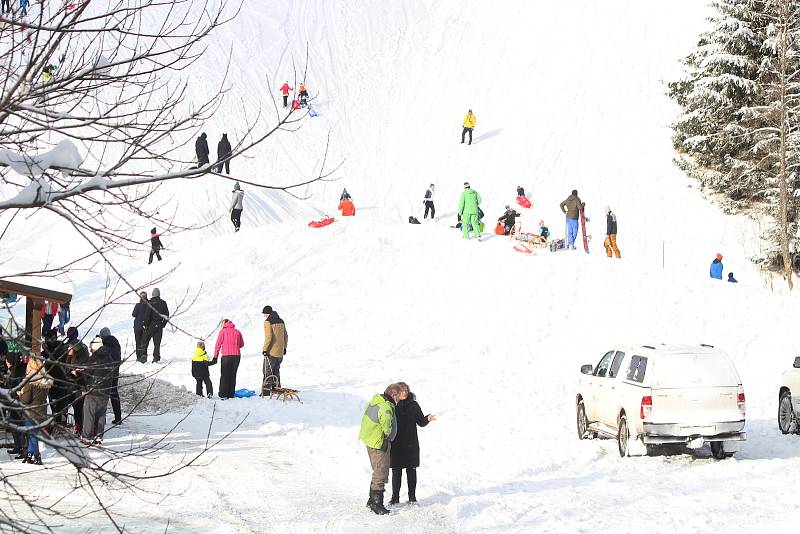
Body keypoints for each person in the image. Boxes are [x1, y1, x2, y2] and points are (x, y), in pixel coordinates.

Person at [359, 383, 404, 515]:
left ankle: (371, 500)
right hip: (379, 443)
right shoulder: (386, 407)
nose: (400, 399)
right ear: (394, 395)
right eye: (399, 396)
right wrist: (387, 433)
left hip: (370, 440)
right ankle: (377, 504)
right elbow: (386, 423)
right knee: (381, 472)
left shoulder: (377, 400)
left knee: (378, 470)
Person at [390, 382, 436, 505]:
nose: (404, 393)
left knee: (411, 470)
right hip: (396, 443)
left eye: (406, 390)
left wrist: (427, 419)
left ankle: (412, 497)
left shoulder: (414, 405)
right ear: (396, 392)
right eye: (402, 390)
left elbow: (420, 422)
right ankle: (395, 498)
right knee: (396, 471)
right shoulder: (392, 405)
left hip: (411, 443)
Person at [18, 355, 53, 464]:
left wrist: (20, 393)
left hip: (30, 411)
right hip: (41, 411)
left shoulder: (30, 382)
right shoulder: (45, 381)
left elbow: (26, 400)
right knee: (34, 433)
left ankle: (37, 455)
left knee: (32, 435)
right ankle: (30, 453)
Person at [82, 336, 113, 445]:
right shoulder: (109, 358)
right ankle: (99, 436)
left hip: (93, 391)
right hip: (105, 392)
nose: (90, 350)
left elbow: (87, 373)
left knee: (89, 414)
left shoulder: (94, 358)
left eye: (91, 348)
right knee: (101, 415)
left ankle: (87, 437)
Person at [64, 326, 89, 435]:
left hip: (69, 382)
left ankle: (62, 424)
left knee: (64, 405)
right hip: (81, 382)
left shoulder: (65, 347)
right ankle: (79, 427)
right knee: (78, 408)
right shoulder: (84, 347)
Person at [42, 328, 69, 424]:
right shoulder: (62, 348)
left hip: (53, 379)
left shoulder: (50, 351)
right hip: (60, 379)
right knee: (61, 402)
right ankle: (61, 421)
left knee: (55, 402)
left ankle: (58, 421)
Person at [213, 319, 244, 399]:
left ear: (224, 324)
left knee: (224, 375)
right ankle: (231, 394)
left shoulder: (222, 332)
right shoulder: (237, 332)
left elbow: (218, 345)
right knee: (233, 375)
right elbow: (241, 344)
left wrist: (215, 357)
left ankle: (223, 394)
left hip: (226, 356)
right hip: (236, 356)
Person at [261, 305, 288, 396]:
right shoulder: (281, 321)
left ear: (267, 313)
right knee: (276, 370)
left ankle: (266, 392)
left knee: (267, 371)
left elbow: (269, 337)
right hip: (280, 351)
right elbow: (285, 335)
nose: (264, 315)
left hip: (271, 351)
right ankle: (277, 389)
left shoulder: (267, 322)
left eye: (264, 314)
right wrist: (284, 347)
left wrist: (265, 349)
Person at [99, 327, 123, 425]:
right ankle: (118, 417)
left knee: (102, 395)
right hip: (115, 372)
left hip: (107, 373)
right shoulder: (116, 344)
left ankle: (101, 418)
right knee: (114, 394)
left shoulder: (106, 345)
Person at [142, 288, 169, 363]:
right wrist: (163, 324)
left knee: (145, 340)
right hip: (159, 325)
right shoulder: (163, 303)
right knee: (157, 343)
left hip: (150, 325)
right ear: (159, 294)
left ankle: (144, 356)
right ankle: (156, 358)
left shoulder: (150, 303)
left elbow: (147, 315)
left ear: (153, 294)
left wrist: (145, 325)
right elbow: (167, 315)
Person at [132, 291, 147, 361]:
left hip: (137, 326)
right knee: (144, 341)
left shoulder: (138, 305)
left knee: (138, 341)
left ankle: (138, 357)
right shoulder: (149, 305)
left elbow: (133, 314)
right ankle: (143, 355)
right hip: (146, 326)